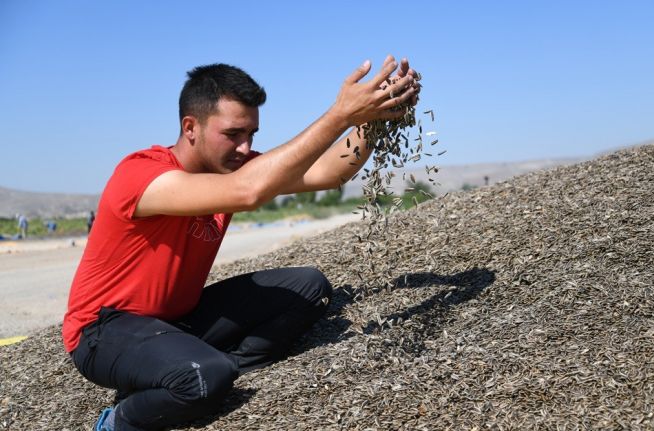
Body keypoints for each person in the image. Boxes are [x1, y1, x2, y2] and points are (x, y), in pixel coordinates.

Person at [63, 56, 420, 431]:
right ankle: (118, 421)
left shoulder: (232, 166)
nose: (244, 146)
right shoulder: (142, 174)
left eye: (252, 134)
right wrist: (340, 114)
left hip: (178, 320)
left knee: (310, 287)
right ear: (190, 127)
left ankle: (194, 364)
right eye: (233, 134)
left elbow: (329, 172)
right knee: (204, 378)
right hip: (103, 331)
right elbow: (247, 191)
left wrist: (375, 119)